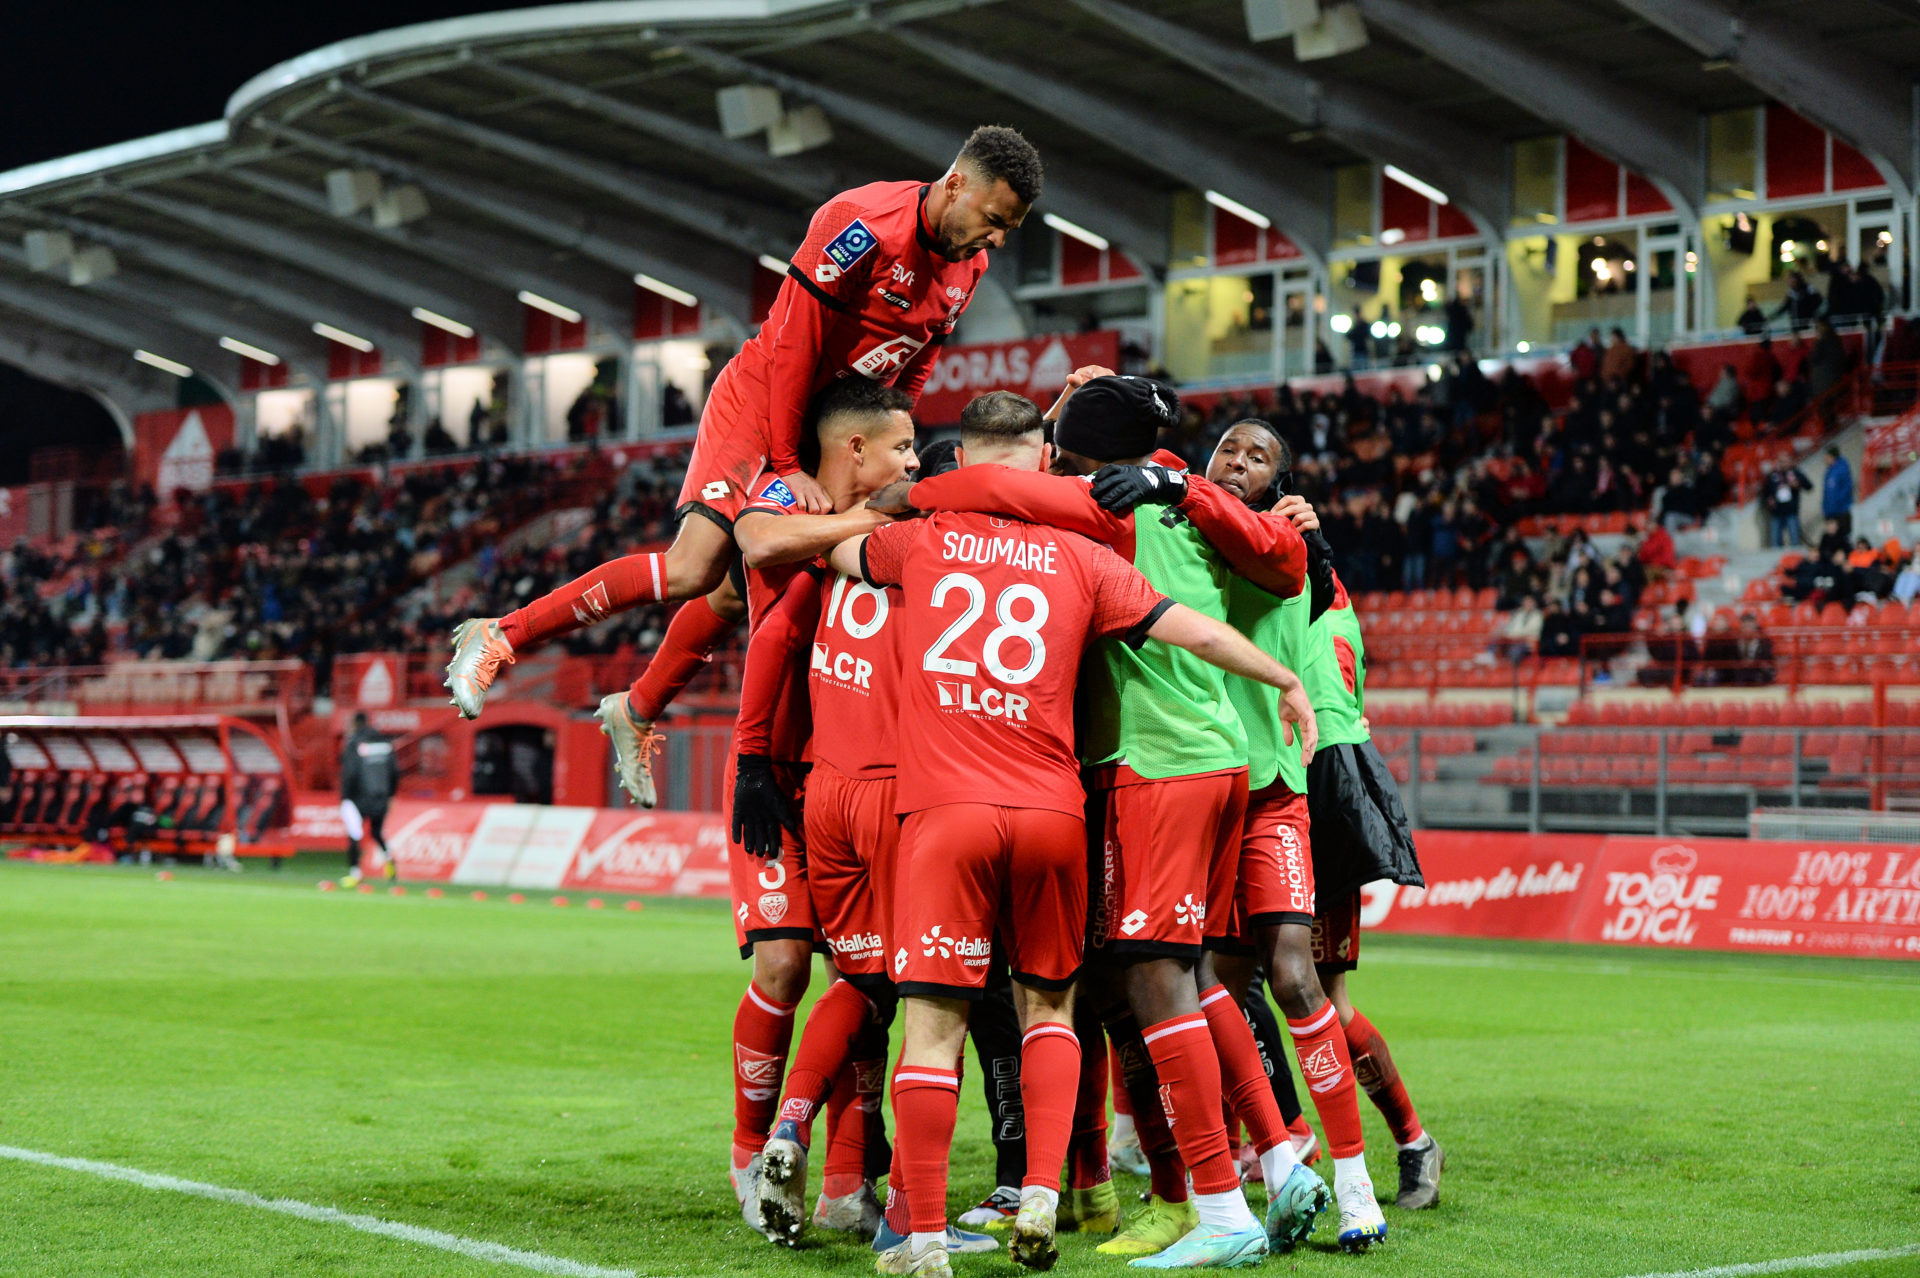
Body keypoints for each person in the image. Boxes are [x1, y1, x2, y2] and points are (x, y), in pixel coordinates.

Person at [825, 396, 1315, 1277]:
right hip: (1055, 812)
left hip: (948, 811)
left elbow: (838, 547)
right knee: (1054, 1008)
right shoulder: (1085, 552)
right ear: (1042, 461)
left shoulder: (921, 541)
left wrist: (871, 500)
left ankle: (923, 1238)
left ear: (963, 458)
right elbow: (1194, 629)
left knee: (934, 1026)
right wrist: (1282, 678)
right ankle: (1047, 1193)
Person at [442, 126, 1045, 790]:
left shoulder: (969, 266)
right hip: (763, 403)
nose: (996, 240)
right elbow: (793, 347)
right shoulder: (861, 223)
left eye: (1008, 229)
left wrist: (893, 439)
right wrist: (786, 463)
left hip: (831, 424)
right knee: (692, 569)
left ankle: (636, 709)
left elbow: (920, 357)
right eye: (994, 219)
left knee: (733, 594)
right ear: (956, 184)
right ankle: (501, 635)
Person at [676, 380, 922, 1231]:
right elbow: (762, 573)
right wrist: (750, 757)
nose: (912, 463)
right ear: (856, 447)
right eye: (900, 447)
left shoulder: (895, 525)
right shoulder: (789, 499)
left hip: (853, 776)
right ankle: (752, 1153)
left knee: (865, 980)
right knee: (784, 965)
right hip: (772, 772)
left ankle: (847, 1180)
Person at [338, 712, 396, 886]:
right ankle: (389, 858)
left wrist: (345, 796)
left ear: (356, 723)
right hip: (381, 797)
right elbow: (394, 771)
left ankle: (355, 873)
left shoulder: (354, 743)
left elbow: (351, 772)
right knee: (376, 832)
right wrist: (391, 795)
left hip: (358, 798)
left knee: (355, 833)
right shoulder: (384, 743)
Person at [1764, 462, 1810, 548]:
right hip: (1776, 512)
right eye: (1781, 461)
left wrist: (1798, 483)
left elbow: (1809, 486)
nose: (1783, 463)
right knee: (1775, 540)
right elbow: (1765, 492)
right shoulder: (1773, 476)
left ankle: (1796, 555)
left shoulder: (1795, 473)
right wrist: (1769, 499)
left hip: (1791, 512)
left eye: (1785, 461)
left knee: (1794, 539)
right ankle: (1777, 556)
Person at [1822, 445, 1854, 541]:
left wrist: (1838, 503)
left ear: (1832, 456)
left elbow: (1847, 488)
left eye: (1826, 456)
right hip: (1831, 511)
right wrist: (1825, 508)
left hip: (1841, 511)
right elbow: (1826, 493)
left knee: (1843, 538)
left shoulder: (1842, 469)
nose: (1824, 459)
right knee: (1832, 539)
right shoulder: (1829, 471)